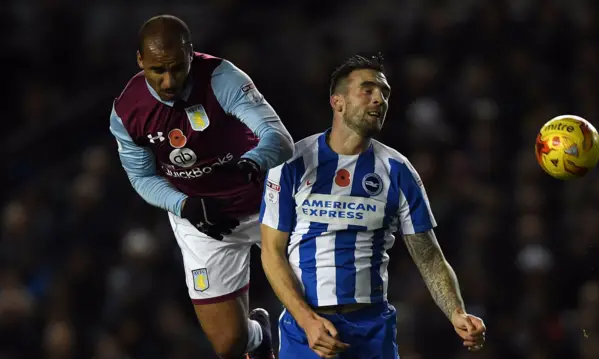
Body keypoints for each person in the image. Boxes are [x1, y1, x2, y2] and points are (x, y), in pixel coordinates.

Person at [259, 54, 486, 358]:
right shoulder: (292, 163)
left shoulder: (397, 170)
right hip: (307, 325)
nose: (379, 99)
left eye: (385, 93)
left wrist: (457, 312)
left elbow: (430, 257)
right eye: (367, 90)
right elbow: (272, 252)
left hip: (372, 327)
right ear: (337, 102)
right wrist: (306, 319)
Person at [109, 15, 294, 359]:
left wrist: (253, 161)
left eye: (177, 68)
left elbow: (280, 139)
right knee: (229, 344)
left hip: (266, 203)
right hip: (203, 218)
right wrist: (185, 207)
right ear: (140, 61)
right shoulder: (126, 112)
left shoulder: (223, 78)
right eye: (157, 71)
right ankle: (259, 335)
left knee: (316, 305)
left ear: (191, 54)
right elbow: (142, 177)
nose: (168, 81)